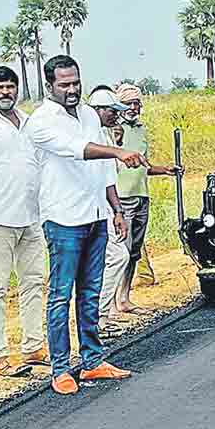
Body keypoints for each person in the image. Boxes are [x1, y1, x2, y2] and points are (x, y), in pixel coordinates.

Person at [26, 56, 146, 395]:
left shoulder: (90, 115)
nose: (72, 89)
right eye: (64, 84)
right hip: (63, 218)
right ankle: (61, 368)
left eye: (75, 82)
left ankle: (92, 361)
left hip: (95, 214)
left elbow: (104, 166)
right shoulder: (41, 122)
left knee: (90, 292)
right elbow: (76, 150)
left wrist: (116, 209)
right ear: (49, 85)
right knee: (61, 294)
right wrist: (118, 151)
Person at [0, 66, 47, 378]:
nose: (5, 92)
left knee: (34, 283)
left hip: (32, 216)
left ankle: (33, 345)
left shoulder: (30, 123)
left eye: (10, 87)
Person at [113, 83, 182, 307]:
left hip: (141, 195)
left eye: (137, 103)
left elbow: (144, 165)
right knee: (120, 252)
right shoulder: (113, 129)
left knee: (134, 252)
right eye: (128, 104)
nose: (133, 108)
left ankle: (124, 298)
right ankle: (111, 303)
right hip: (121, 198)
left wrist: (165, 170)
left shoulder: (141, 130)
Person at [87, 86, 131, 339]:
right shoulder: (92, 137)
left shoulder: (104, 135)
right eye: (112, 110)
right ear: (98, 110)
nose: (116, 115)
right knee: (117, 256)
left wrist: (117, 210)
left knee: (116, 257)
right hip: (91, 209)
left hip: (104, 207)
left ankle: (100, 317)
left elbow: (109, 178)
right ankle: (97, 318)